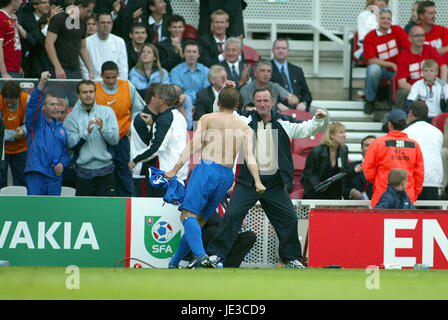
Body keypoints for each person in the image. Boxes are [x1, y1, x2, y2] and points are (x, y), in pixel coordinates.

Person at [205, 84, 327, 269]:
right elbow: (220, 113)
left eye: (265, 100)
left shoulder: (285, 122)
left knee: (289, 219)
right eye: (258, 100)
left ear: (273, 102)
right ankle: (215, 256)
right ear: (254, 102)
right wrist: (222, 91)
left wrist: (317, 120)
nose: (262, 104)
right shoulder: (243, 120)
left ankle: (292, 259)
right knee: (232, 216)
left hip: (275, 184)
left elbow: (306, 130)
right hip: (247, 182)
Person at [163, 85, 266, 269]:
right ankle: (174, 263)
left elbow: (193, 145)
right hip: (227, 176)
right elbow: (249, 157)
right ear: (237, 105)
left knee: (187, 216)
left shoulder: (208, 118)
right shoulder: (245, 127)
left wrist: (174, 169)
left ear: (217, 103)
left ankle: (202, 257)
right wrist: (257, 181)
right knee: (199, 220)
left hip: (207, 170)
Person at [95, 61, 145, 197]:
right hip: (102, 140)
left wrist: (132, 125)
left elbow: (138, 109)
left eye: (114, 77)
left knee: (124, 172)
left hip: (123, 138)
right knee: (105, 174)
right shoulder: (95, 89)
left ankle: (128, 203)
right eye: (107, 78)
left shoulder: (127, 86)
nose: (111, 81)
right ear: (101, 76)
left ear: (118, 75)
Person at [128, 84, 188, 197]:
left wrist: (135, 160)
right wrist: (153, 124)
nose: (153, 99)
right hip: (179, 172)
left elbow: (156, 147)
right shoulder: (178, 116)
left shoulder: (165, 119)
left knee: (154, 211)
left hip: (166, 174)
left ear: (162, 100)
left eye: (155, 96)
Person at [64, 79, 119, 197]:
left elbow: (115, 140)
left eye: (91, 91)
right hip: (83, 172)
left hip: (106, 169)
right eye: (84, 92)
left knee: (106, 209)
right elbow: (70, 144)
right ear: (78, 95)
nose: (88, 95)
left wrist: (103, 129)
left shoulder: (107, 111)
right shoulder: (72, 116)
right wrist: (86, 133)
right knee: (84, 212)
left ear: (95, 93)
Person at [363, 108, 424, 208]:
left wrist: (380, 181)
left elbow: (368, 172)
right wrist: (413, 194)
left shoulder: (378, 143)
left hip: (382, 196)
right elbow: (419, 175)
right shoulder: (414, 145)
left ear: (390, 125)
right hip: (407, 198)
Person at [24, 71, 70, 195]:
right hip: (37, 173)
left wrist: (63, 164)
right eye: (52, 104)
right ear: (43, 107)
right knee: (34, 211)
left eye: (57, 104)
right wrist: (41, 84)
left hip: (55, 176)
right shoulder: (36, 123)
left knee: (54, 213)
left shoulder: (61, 129)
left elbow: (65, 153)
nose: (55, 107)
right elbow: (33, 106)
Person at [362, 8, 410, 114]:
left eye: (388, 18)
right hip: (382, 69)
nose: (386, 21)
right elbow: (371, 60)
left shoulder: (397, 30)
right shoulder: (370, 37)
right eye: (383, 18)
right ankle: (370, 100)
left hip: (398, 68)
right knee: (372, 70)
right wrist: (391, 64)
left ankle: (397, 106)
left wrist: (401, 64)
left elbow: (409, 49)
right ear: (377, 20)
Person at [395, 25, 447, 110]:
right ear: (410, 38)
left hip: (433, 85)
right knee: (402, 93)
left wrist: (442, 85)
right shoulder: (404, 56)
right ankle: (401, 121)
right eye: (417, 36)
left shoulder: (430, 49)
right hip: (413, 89)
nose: (420, 38)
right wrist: (418, 90)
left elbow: (443, 67)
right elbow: (402, 83)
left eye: (422, 35)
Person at [45, 0, 95, 80]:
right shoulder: (59, 19)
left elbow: (83, 48)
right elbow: (49, 43)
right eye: (88, 11)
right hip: (59, 67)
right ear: (79, 7)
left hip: (75, 68)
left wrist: (90, 70)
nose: (89, 14)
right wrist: (57, 67)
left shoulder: (82, 23)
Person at [403, 101, 443, 202]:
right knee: (431, 215)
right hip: (433, 180)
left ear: (410, 113)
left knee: (411, 216)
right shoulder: (438, 132)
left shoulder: (405, 132)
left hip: (412, 181)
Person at [300, 122, 349, 200]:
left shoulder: (344, 150)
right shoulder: (317, 151)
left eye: (344, 132)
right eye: (341, 132)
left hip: (334, 192)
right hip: (315, 191)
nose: (344, 135)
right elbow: (308, 173)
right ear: (332, 135)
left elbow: (344, 170)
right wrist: (319, 185)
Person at [129, 83, 160, 197]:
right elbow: (151, 145)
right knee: (144, 210)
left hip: (151, 171)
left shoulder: (156, 117)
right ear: (153, 99)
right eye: (161, 97)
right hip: (142, 170)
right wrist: (153, 126)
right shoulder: (141, 120)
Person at [80, 12, 128, 81]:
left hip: (114, 83)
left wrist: (121, 84)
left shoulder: (119, 41)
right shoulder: (87, 42)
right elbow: (83, 67)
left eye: (108, 23)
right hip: (93, 83)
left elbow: (123, 68)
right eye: (103, 22)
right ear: (97, 24)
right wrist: (89, 83)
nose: (106, 25)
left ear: (112, 24)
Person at [0, 81, 29, 189]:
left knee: (22, 182)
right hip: (2, 150)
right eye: (7, 102)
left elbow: (31, 124)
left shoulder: (26, 100)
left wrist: (23, 131)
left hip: (21, 149)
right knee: (1, 181)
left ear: (18, 97)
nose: (10, 105)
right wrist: (13, 135)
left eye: (13, 103)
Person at [270, 38, 313, 112]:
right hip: (278, 107)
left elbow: (307, 93)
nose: (280, 51)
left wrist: (304, 103)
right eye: (277, 48)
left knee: (322, 113)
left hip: (299, 107)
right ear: (273, 50)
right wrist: (276, 104)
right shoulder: (266, 68)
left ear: (288, 51)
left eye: (283, 48)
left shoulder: (297, 70)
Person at [169, 40, 210, 107]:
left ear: (198, 54)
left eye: (194, 52)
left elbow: (206, 92)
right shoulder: (175, 71)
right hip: (182, 106)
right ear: (183, 54)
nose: (191, 54)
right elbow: (178, 94)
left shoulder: (206, 71)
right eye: (188, 52)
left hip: (202, 105)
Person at [343, 135, 375, 200]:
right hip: (356, 207)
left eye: (374, 145)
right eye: (367, 145)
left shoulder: (386, 168)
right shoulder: (350, 167)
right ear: (361, 149)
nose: (370, 147)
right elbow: (342, 188)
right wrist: (351, 192)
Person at [0, 0, 24, 79]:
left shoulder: (9, 18)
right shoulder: (1, 18)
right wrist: (3, 72)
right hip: (6, 70)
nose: (21, 2)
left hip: (13, 68)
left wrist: (18, 66)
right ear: (12, 1)